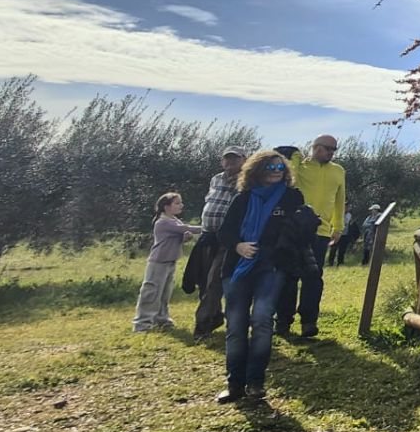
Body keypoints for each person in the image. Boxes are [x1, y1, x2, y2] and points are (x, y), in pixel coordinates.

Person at [215, 150, 314, 404]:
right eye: (270, 167)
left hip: (272, 266)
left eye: (280, 168)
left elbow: (301, 229)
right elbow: (225, 232)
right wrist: (239, 246)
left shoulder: (292, 197)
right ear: (256, 170)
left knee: (261, 320)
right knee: (235, 326)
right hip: (238, 266)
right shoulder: (243, 199)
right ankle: (234, 383)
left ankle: (256, 382)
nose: (276, 172)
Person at [280, 135, 345, 340]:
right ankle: (282, 320)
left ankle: (309, 321)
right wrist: (298, 157)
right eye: (327, 148)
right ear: (315, 147)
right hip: (295, 229)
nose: (331, 152)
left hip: (322, 232)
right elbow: (291, 179)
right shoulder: (301, 166)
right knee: (288, 276)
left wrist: (339, 226)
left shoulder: (338, 170)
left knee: (313, 278)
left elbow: (340, 199)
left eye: (334, 149)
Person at [187, 148, 246, 338]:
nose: (230, 162)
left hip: (227, 238)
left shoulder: (247, 181)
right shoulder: (216, 179)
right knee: (203, 280)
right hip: (208, 235)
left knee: (214, 280)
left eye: (235, 159)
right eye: (227, 158)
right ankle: (215, 316)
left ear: (244, 160)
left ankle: (202, 325)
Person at [133, 192, 201, 332]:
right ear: (166, 206)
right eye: (177, 203)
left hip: (170, 261)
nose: (181, 205)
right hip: (158, 262)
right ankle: (142, 323)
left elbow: (176, 238)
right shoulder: (163, 222)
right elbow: (186, 229)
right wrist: (207, 228)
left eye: (180, 202)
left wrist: (185, 239)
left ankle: (161, 319)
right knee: (151, 292)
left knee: (165, 292)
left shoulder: (174, 220)